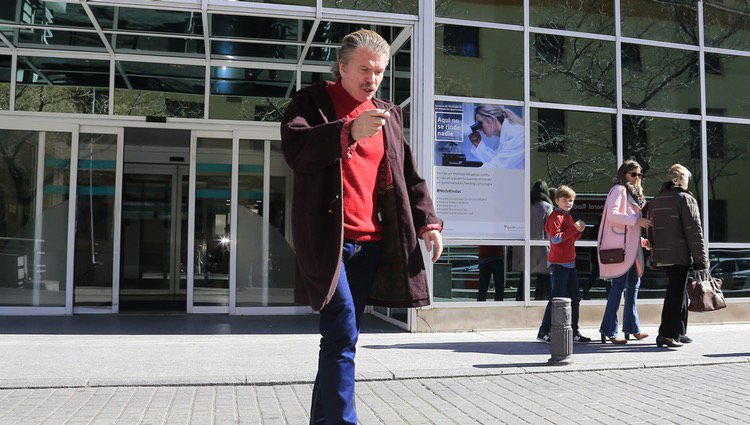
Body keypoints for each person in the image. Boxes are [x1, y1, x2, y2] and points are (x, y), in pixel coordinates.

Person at [280, 29, 444, 424]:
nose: (372, 79)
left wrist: (428, 223)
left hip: (371, 244)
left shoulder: (389, 114)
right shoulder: (312, 103)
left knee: (339, 337)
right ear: (342, 67)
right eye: (364, 69)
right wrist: (347, 131)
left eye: (380, 72)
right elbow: (297, 150)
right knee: (343, 330)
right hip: (328, 241)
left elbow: (408, 174)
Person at [647, 164, 707, 348]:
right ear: (680, 179)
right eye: (686, 178)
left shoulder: (657, 199)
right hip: (679, 254)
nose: (687, 182)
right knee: (675, 293)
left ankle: (679, 331)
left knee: (679, 292)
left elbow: (651, 230)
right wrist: (701, 260)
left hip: (663, 254)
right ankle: (666, 334)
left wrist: (655, 253)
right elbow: (694, 232)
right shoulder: (685, 199)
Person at [597, 160, 653, 344]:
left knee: (633, 287)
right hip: (621, 250)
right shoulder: (619, 190)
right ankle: (609, 330)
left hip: (631, 248)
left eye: (639, 175)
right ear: (624, 174)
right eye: (633, 174)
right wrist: (637, 221)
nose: (637, 178)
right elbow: (613, 215)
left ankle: (632, 327)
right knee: (619, 288)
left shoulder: (632, 193)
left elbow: (629, 225)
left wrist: (641, 241)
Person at [536, 185, 591, 344]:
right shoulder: (555, 216)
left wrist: (578, 231)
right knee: (556, 299)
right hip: (559, 264)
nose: (569, 203)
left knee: (575, 298)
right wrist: (573, 229)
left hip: (569, 263)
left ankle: (574, 331)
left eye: (571, 200)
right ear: (557, 200)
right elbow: (556, 239)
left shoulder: (567, 216)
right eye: (565, 199)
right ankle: (544, 331)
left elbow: (569, 240)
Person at [512, 180, 554, 300]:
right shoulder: (546, 207)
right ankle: (543, 304)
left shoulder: (524, 205)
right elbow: (549, 230)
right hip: (540, 247)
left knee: (524, 277)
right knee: (544, 278)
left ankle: (519, 303)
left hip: (524, 246)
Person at [465, 104, 525, 169]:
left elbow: (497, 167)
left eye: (480, 124)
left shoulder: (516, 134)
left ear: (492, 119)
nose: (479, 129)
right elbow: (496, 160)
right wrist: (478, 144)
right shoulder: (507, 134)